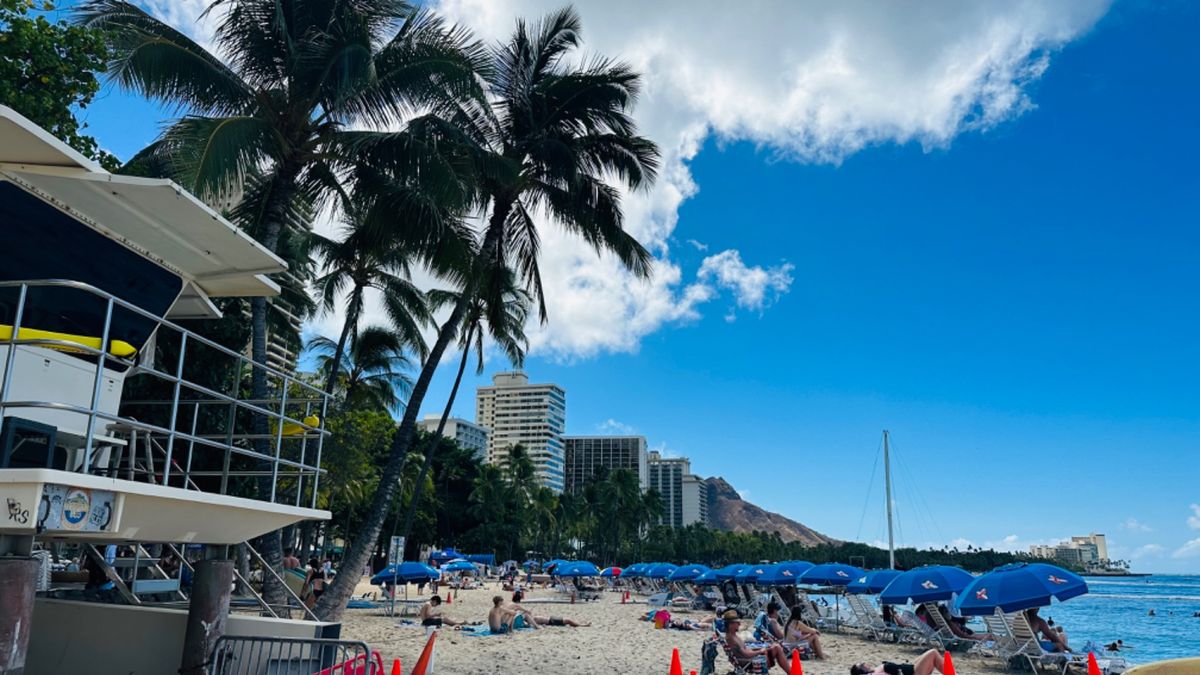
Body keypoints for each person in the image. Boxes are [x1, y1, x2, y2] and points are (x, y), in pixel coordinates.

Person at [722, 610, 789, 673]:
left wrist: (759, 650)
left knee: (776, 646)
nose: (739, 624)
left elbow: (746, 651)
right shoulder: (731, 639)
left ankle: (791, 672)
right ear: (730, 624)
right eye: (737, 623)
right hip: (750, 663)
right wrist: (760, 651)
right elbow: (746, 654)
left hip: (751, 659)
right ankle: (792, 673)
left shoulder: (733, 636)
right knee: (777, 647)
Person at [850, 649, 946, 675]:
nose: (865, 663)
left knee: (926, 655)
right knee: (933, 653)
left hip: (912, 669)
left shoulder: (875, 670)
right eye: (862, 665)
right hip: (914, 673)